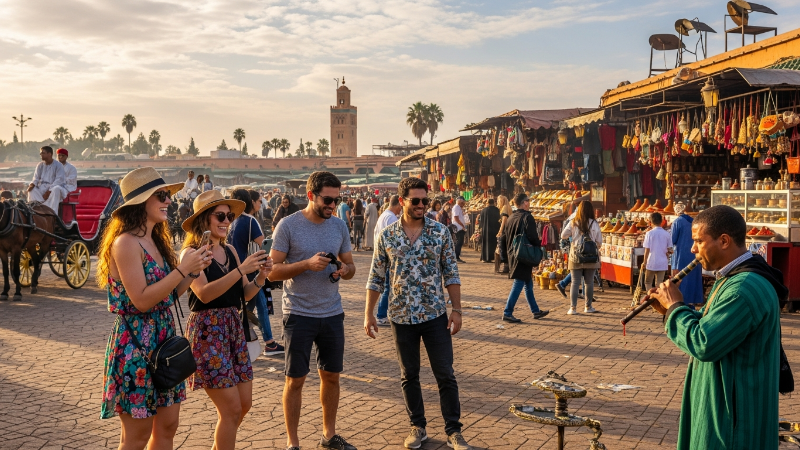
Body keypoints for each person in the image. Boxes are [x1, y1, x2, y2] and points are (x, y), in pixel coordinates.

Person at [648, 205, 783, 450]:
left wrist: (676, 307)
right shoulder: (732, 279)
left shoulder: (742, 288)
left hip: (732, 421)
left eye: (699, 241)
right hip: (726, 409)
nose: (693, 249)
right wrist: (668, 309)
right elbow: (709, 321)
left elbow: (704, 342)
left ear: (723, 241)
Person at [97, 167, 211, 449]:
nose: (169, 201)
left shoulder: (156, 239)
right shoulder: (125, 243)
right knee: (137, 437)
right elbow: (142, 300)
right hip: (135, 345)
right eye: (161, 195)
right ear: (141, 201)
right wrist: (182, 269)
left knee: (168, 427)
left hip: (163, 342)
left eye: (167, 195)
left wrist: (193, 270)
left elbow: (169, 294)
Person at [364, 177, 472, 450]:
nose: (422, 205)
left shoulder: (440, 232)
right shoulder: (387, 236)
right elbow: (376, 277)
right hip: (400, 316)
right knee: (409, 374)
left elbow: (451, 273)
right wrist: (368, 313)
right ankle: (417, 426)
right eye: (416, 201)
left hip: (434, 314)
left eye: (425, 200)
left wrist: (457, 310)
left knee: (445, 373)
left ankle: (454, 431)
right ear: (402, 201)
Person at [268, 171, 357, 450]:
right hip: (298, 313)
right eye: (327, 200)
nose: (332, 205)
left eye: (336, 200)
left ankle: (328, 436)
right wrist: (306, 264)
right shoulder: (288, 225)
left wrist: (344, 270)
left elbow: (351, 267)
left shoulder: (339, 226)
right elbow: (272, 272)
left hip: (332, 313)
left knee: (331, 376)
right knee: (295, 380)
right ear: (311, 195)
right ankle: (292, 443)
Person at [180, 190, 272, 450]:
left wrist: (260, 277)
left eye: (229, 216)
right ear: (203, 219)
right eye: (220, 216)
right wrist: (241, 269)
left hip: (233, 328)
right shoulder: (191, 253)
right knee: (231, 409)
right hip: (208, 333)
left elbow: (244, 293)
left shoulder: (230, 250)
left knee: (244, 404)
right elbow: (204, 294)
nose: (226, 221)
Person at [227, 189, 284, 355]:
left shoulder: (231, 220)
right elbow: (264, 244)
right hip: (249, 269)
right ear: (250, 202)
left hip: (233, 269)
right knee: (256, 306)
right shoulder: (250, 220)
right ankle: (267, 343)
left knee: (254, 306)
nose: (261, 204)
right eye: (259, 201)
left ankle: (266, 341)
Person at [500, 193, 549, 323]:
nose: (529, 203)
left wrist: (505, 256)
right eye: (528, 200)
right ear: (524, 203)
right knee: (519, 282)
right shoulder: (527, 217)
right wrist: (539, 244)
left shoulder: (511, 217)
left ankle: (535, 310)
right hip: (523, 254)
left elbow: (504, 237)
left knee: (528, 283)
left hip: (513, 254)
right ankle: (507, 312)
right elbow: (532, 236)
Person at [560, 200, 602, 315]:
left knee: (575, 282)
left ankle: (572, 308)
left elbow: (563, 235)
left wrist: (573, 238)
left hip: (576, 255)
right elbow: (599, 242)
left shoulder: (574, 222)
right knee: (589, 282)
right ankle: (588, 307)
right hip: (591, 256)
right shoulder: (594, 223)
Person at [374, 195, 401, 327]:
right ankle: (381, 315)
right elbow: (394, 240)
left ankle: (384, 314)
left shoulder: (384, 215)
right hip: (388, 257)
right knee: (387, 287)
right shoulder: (391, 218)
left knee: (387, 287)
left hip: (382, 255)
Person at [670, 202, 703, 305]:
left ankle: (682, 302)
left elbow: (672, 240)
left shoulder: (677, 222)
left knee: (681, 279)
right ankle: (693, 302)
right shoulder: (693, 221)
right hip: (694, 254)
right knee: (693, 279)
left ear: (676, 211)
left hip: (681, 255)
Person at [41, 147, 78, 213]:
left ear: (66, 156)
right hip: (52, 186)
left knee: (56, 189)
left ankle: (53, 212)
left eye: (62, 155)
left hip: (65, 188)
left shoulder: (72, 168)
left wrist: (58, 181)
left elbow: (71, 180)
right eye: (59, 155)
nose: (60, 157)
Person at [641, 212, 671, 290]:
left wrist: (644, 262)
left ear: (651, 222)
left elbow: (647, 249)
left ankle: (650, 296)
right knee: (659, 283)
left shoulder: (649, 234)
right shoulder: (667, 234)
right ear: (662, 221)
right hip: (662, 262)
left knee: (648, 282)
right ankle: (658, 296)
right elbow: (670, 249)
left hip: (651, 261)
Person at [478, 198, 500, 263]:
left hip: (485, 229)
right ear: (494, 203)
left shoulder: (483, 210)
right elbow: (498, 219)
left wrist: (481, 227)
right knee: (493, 243)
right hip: (494, 229)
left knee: (485, 243)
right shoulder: (496, 210)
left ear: (487, 203)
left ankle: (485, 258)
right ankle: (491, 257)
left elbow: (481, 220)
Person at [451, 197, 467, 263]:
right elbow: (456, 218)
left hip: (459, 227)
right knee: (459, 242)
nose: (463, 204)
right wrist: (462, 225)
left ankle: (457, 256)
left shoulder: (459, 208)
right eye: (463, 202)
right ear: (460, 201)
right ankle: (456, 257)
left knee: (460, 242)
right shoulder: (456, 207)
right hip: (458, 227)